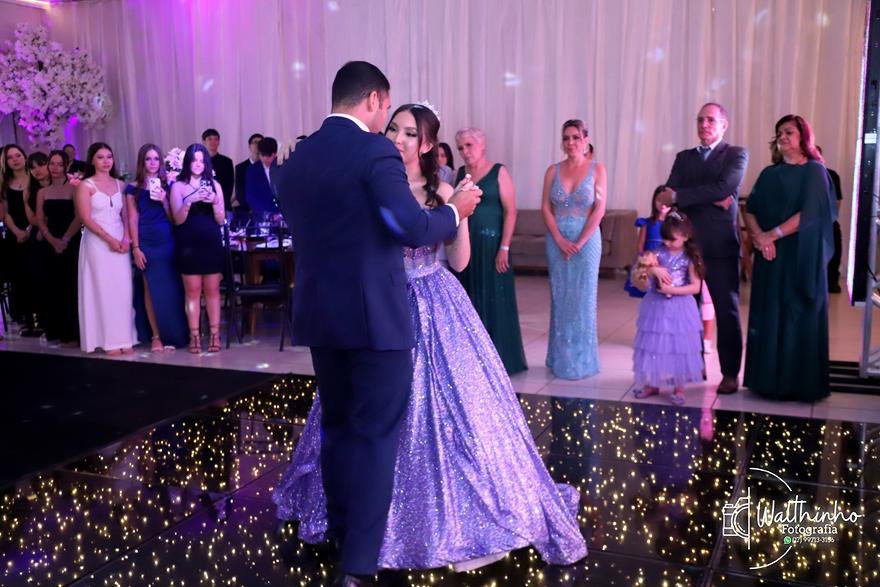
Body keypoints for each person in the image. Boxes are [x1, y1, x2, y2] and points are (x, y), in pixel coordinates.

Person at [274, 103, 586, 574]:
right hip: (376, 307)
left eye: (408, 133)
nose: (397, 138)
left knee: (450, 414)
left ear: (426, 145)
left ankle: (438, 522)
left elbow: (458, 262)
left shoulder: (442, 189)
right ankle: (360, 524)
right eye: (393, 129)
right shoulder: (375, 179)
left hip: (432, 301)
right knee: (359, 417)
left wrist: (459, 212)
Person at [275, 61, 481, 586]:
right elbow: (409, 227)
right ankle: (358, 566)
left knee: (338, 427)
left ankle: (340, 532)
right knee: (373, 437)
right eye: (386, 108)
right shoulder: (374, 152)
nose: (386, 121)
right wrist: (456, 211)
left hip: (320, 313)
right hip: (375, 319)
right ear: (373, 99)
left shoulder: (298, 158)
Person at [743, 115, 835, 401]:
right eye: (779, 133)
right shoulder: (768, 174)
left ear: (803, 137)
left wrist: (772, 235)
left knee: (796, 314)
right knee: (769, 314)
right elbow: (750, 209)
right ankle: (766, 382)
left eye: (789, 132)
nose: (782, 137)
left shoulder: (815, 171)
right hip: (770, 256)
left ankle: (798, 385)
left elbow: (810, 214)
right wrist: (759, 236)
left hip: (800, 256)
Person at [658, 102, 748, 395]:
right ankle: (692, 366)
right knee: (687, 311)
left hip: (720, 247)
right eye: (700, 120)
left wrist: (683, 196)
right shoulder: (684, 157)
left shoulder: (736, 154)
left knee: (726, 311)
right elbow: (667, 194)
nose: (704, 125)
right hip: (688, 247)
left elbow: (724, 188)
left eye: (710, 120)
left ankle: (730, 373)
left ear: (724, 125)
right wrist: (711, 196)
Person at [454, 127, 527, 374]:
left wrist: (504, 247)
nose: (465, 151)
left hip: (493, 247)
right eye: (460, 147)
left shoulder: (499, 171)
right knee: (470, 298)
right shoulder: (459, 174)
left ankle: (501, 359)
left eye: (469, 145)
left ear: (482, 145)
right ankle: (474, 360)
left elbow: (511, 211)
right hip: (467, 246)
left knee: (496, 299)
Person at [541, 119, 606, 379]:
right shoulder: (552, 171)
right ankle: (559, 357)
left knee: (583, 300)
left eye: (576, 137)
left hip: (586, 241)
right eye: (566, 138)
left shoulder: (597, 169)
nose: (570, 143)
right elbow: (546, 208)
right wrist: (558, 239)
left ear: (585, 140)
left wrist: (579, 243)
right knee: (561, 298)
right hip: (556, 240)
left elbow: (599, 209)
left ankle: (583, 360)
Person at [632, 210, 705, 405]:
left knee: (678, 346)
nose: (667, 243)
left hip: (681, 307)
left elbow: (696, 287)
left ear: (685, 236)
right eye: (665, 238)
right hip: (656, 306)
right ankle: (653, 383)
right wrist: (652, 269)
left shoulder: (689, 257)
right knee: (654, 343)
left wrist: (672, 290)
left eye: (672, 239)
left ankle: (679, 387)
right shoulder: (656, 253)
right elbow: (639, 274)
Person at [75, 142, 138, 354]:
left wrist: (126, 238)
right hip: (97, 241)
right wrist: (109, 239)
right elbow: (85, 218)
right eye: (100, 157)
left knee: (123, 289)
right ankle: (107, 340)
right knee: (103, 289)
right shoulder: (85, 185)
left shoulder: (121, 184)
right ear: (92, 160)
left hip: (120, 240)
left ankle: (125, 337)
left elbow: (127, 215)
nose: (106, 161)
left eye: (109, 157)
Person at [126, 144, 189, 352]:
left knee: (172, 288)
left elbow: (174, 219)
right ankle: (156, 336)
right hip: (146, 242)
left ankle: (176, 333)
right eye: (148, 159)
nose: (152, 163)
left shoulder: (170, 185)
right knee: (150, 289)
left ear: (160, 162)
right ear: (141, 162)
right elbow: (132, 219)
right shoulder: (132, 188)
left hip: (167, 241)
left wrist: (164, 201)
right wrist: (136, 248)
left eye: (155, 159)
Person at [170, 143, 226, 354]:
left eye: (202, 161)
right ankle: (194, 335)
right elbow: (177, 219)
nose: (198, 164)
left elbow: (220, 219)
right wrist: (189, 200)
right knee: (192, 291)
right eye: (194, 160)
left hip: (211, 242)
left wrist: (215, 201)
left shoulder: (215, 185)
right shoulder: (178, 186)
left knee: (212, 290)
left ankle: (214, 334)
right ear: (188, 162)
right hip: (188, 245)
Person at [35, 150, 81, 346]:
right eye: (51, 163)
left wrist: (65, 239)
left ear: (66, 166)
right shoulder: (42, 192)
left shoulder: (74, 188)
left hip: (71, 242)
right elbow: (40, 219)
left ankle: (74, 334)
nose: (55, 168)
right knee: (54, 288)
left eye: (59, 164)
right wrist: (52, 240)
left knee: (71, 287)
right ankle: (57, 330)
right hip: (50, 243)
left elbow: (79, 217)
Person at [2, 144, 42, 336]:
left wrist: (28, 230)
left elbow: (40, 209)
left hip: (36, 231)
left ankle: (42, 317)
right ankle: (26, 319)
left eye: (18, 155)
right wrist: (18, 232)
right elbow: (5, 213)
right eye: (10, 157)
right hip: (14, 235)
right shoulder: (4, 183)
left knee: (37, 275)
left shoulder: (35, 178)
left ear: (25, 157)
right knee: (20, 278)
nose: (15, 160)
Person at [816, 146, 843, 293]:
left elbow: (837, 201)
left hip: (827, 219)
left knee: (834, 236)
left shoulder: (831, 175)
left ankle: (832, 279)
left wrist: (828, 218)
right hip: (805, 220)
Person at [245, 136, 281, 215]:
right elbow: (250, 196)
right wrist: (265, 214)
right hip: (262, 216)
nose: (265, 159)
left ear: (275, 154)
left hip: (284, 214)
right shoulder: (252, 170)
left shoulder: (283, 166)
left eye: (268, 156)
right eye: (262, 155)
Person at [201, 129, 235, 210]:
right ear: (203, 142)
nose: (213, 142)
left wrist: (219, 202)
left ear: (219, 142)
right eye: (210, 139)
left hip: (222, 205)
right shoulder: (198, 162)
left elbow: (229, 186)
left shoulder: (227, 161)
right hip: (202, 206)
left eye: (215, 139)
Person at [233, 133, 262, 214]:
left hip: (265, 209)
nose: (258, 145)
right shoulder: (240, 167)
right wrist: (251, 207)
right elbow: (240, 192)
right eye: (255, 142)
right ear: (249, 146)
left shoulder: (268, 166)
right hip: (247, 210)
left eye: (260, 143)